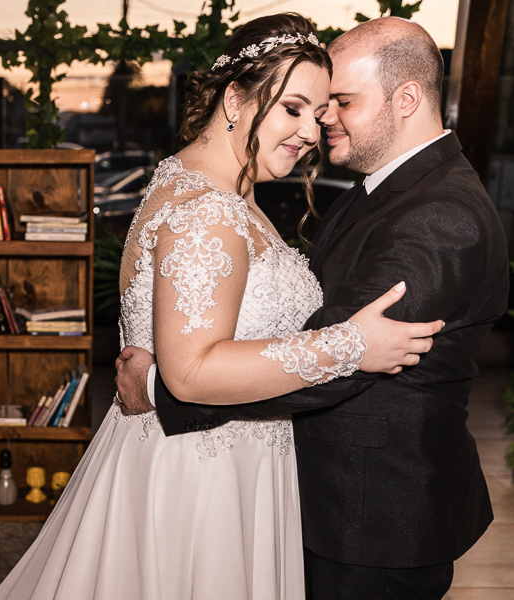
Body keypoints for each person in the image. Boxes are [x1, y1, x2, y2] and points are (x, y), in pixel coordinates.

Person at [0, 13, 442, 600]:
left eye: (319, 110)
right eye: (293, 108)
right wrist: (353, 345)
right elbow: (192, 371)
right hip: (203, 474)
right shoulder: (209, 210)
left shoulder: (194, 182)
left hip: (222, 453)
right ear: (235, 97)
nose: (310, 131)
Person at [116, 16, 508, 600]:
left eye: (339, 102)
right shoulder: (374, 192)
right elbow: (321, 333)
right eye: (305, 107)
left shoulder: (439, 215)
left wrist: (165, 384)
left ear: (406, 99)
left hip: (375, 514)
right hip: (305, 493)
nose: (321, 122)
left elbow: (337, 365)